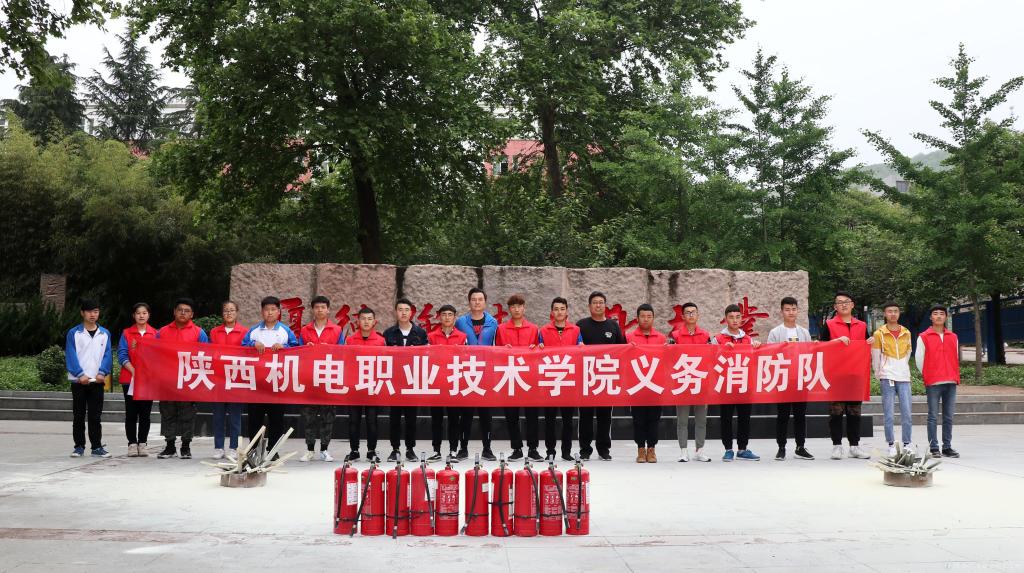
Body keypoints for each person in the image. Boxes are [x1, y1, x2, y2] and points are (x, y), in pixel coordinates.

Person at [242, 296, 299, 454]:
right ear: (262, 312)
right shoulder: (254, 331)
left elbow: (296, 349)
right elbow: (242, 348)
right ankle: (254, 451)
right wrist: (253, 344)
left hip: (277, 382)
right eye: (267, 309)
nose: (270, 312)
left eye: (273, 309)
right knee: (255, 419)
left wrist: (284, 347)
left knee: (277, 419)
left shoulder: (285, 331)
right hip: (257, 383)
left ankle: (273, 451)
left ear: (279, 312)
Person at [819, 291, 870, 460]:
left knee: (854, 412)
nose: (843, 304)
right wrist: (836, 341)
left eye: (846, 301)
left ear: (852, 304)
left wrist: (870, 342)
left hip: (855, 374)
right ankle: (837, 446)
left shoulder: (861, 325)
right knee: (836, 411)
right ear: (835, 307)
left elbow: (867, 345)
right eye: (839, 302)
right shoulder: (829, 324)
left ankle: (854, 446)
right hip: (836, 374)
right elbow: (821, 346)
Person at [156, 298, 209, 459]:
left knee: (188, 414)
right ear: (174, 312)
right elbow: (153, 353)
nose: (183, 313)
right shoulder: (162, 332)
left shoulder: (199, 333)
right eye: (180, 310)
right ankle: (170, 446)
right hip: (167, 380)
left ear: (192, 314)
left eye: (187, 311)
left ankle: (186, 446)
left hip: (189, 379)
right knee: (167, 413)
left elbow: (206, 355)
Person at [576, 291, 625, 461]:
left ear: (605, 305)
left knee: (605, 416)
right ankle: (585, 449)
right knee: (585, 416)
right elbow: (574, 348)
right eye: (595, 302)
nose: (598, 305)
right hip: (586, 377)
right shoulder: (581, 325)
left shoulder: (613, 326)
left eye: (601, 302)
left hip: (606, 376)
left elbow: (622, 349)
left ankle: (604, 449)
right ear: (589, 306)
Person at [766, 297, 815, 461]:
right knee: (783, 415)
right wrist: (782, 349)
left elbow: (809, 354)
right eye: (787, 309)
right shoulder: (775, 332)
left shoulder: (804, 332)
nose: (791, 312)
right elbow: (769, 354)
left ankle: (800, 447)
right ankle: (781, 447)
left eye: (793, 309)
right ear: (782, 312)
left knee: (800, 415)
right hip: (783, 379)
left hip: (800, 379)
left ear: (797, 311)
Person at [712, 304, 762, 462]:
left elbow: (754, 359)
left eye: (738, 317)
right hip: (726, 384)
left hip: (744, 383)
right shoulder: (718, 338)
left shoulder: (747, 339)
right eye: (731, 317)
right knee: (726, 418)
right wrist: (721, 349)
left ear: (741, 319)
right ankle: (728, 449)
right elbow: (710, 358)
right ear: (725, 319)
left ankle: (742, 449)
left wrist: (756, 347)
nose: (735, 320)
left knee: (744, 417)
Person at [297, 295, 344, 462]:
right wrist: (306, 348)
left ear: (328, 310)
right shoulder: (305, 330)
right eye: (317, 307)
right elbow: (298, 352)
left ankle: (325, 449)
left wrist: (329, 349)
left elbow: (343, 352)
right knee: (308, 417)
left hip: (329, 378)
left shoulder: (337, 330)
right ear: (312, 310)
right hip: (309, 378)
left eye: (323, 307)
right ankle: (309, 449)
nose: (320, 310)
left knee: (328, 416)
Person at [495, 293, 541, 461]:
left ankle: (533, 449)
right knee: (511, 415)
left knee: (532, 415)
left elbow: (540, 350)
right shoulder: (501, 329)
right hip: (509, 376)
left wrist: (535, 348)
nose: (516, 309)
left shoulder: (534, 328)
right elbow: (496, 351)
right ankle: (516, 449)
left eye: (519, 306)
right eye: (513, 306)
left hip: (529, 377)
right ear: (509, 309)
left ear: (524, 308)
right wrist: (503, 350)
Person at [454, 287, 498, 461]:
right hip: (467, 371)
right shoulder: (460, 322)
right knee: (465, 413)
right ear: (469, 301)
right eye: (474, 299)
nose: (477, 302)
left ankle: (487, 448)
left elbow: (498, 345)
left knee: (486, 413)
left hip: (486, 372)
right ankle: (463, 448)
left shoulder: (493, 323)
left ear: (485, 302)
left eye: (480, 299)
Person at [383, 298, 429, 462]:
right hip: (394, 381)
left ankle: (410, 449)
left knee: (411, 417)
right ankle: (395, 449)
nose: (403, 313)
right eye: (400, 309)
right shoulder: (389, 333)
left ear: (411, 313)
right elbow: (382, 357)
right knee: (394, 417)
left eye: (406, 310)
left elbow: (427, 355)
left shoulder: (420, 333)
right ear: (396, 312)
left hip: (412, 381)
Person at [66, 299, 113, 458]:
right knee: (78, 415)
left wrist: (102, 372)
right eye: (89, 311)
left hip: (97, 381)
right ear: (82, 313)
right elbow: (71, 355)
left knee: (95, 416)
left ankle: (96, 447)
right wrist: (80, 374)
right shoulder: (74, 333)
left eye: (96, 311)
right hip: (78, 381)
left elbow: (107, 355)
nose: (93, 314)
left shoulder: (104, 333)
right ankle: (79, 446)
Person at [537, 297, 582, 461]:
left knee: (568, 420)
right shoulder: (543, 331)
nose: (559, 312)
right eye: (556, 309)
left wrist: (582, 348)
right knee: (549, 419)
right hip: (550, 380)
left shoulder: (576, 330)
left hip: (569, 380)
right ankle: (550, 451)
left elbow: (581, 349)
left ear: (567, 311)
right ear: (552, 312)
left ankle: (566, 451)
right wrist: (539, 348)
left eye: (562, 309)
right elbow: (536, 352)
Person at [915, 305, 960, 458]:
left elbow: (955, 357)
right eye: (935, 313)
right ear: (931, 317)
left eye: (942, 313)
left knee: (949, 416)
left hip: (951, 381)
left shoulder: (953, 336)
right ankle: (934, 447)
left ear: (946, 317)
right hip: (933, 382)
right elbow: (919, 360)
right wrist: (929, 374)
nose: (939, 316)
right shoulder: (924, 336)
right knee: (933, 416)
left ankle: (947, 447)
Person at [670, 302, 712, 463]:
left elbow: (712, 355)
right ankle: (683, 451)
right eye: (687, 312)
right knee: (682, 420)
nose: (691, 315)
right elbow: (669, 356)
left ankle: (699, 451)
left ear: (698, 315)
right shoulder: (675, 335)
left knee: (701, 420)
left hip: (701, 381)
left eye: (693, 312)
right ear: (682, 316)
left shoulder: (705, 335)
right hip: (683, 381)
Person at [871, 302, 914, 457]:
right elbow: (875, 356)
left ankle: (907, 443)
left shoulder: (906, 332)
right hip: (887, 376)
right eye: (890, 311)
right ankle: (891, 444)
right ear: (885, 314)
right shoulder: (879, 334)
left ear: (899, 313)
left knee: (907, 412)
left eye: (896, 311)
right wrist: (879, 373)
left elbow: (908, 353)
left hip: (903, 377)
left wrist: (902, 368)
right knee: (888, 413)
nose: (893, 314)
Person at [626, 304, 667, 464]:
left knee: (654, 418)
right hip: (636, 384)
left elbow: (667, 360)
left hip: (655, 384)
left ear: (653, 318)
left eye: (649, 316)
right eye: (643, 316)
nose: (646, 319)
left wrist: (667, 350)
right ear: (637, 318)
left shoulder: (661, 338)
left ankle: (652, 449)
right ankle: (640, 449)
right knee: (638, 419)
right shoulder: (629, 337)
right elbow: (622, 359)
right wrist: (627, 349)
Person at [345, 307, 386, 462]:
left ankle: (371, 451)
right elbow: (345, 362)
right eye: (363, 319)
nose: (366, 322)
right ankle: (354, 450)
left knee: (372, 420)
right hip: (354, 386)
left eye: (369, 319)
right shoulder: (350, 340)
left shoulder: (380, 341)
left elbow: (384, 363)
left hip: (373, 386)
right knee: (353, 420)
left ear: (374, 322)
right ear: (358, 321)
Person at [427, 304, 467, 461]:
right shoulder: (431, 336)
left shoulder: (462, 337)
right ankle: (436, 450)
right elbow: (427, 357)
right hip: (436, 382)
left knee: (454, 419)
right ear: (439, 317)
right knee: (436, 419)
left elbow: (466, 357)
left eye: (450, 314)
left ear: (455, 317)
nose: (447, 317)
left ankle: (453, 450)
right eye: (444, 314)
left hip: (454, 383)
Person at [117, 302, 156, 458]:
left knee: (145, 414)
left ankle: (143, 444)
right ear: (134, 315)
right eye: (138, 313)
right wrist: (134, 371)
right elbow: (122, 355)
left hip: (148, 381)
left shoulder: (155, 334)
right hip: (130, 379)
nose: (141, 316)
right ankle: (132, 444)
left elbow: (159, 357)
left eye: (144, 313)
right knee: (131, 413)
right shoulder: (127, 333)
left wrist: (147, 373)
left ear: (149, 315)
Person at [208, 300, 246, 460]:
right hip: (218, 378)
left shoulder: (244, 332)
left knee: (235, 416)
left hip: (236, 378)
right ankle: (218, 447)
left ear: (237, 313)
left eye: (231, 310)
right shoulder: (214, 332)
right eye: (226, 311)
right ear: (222, 314)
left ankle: (234, 447)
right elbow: (209, 351)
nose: (229, 313)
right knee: (218, 415)